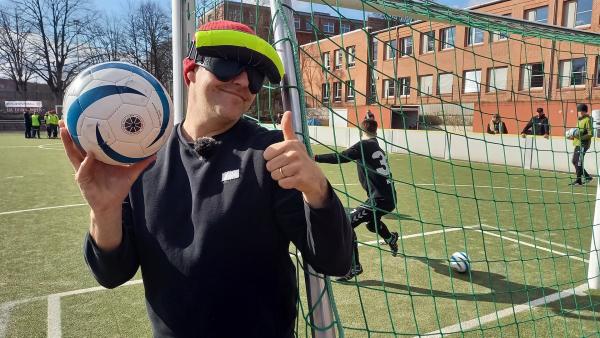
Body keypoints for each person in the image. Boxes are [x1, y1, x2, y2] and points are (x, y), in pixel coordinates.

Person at [60, 21, 352, 337]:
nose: (243, 81)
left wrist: (318, 191)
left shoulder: (270, 153)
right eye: (227, 63)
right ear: (190, 71)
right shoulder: (141, 159)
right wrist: (104, 211)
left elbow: (336, 262)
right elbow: (111, 273)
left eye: (256, 77)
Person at [314, 117, 399, 282]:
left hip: (379, 199)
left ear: (361, 130)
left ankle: (355, 266)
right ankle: (390, 238)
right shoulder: (376, 146)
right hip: (389, 198)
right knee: (372, 224)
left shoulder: (364, 145)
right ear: (376, 130)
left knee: (346, 223)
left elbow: (342, 157)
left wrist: (315, 157)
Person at [568, 103, 593, 186]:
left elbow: (590, 133)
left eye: (580, 111)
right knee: (574, 161)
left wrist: (580, 138)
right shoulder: (579, 120)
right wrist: (572, 137)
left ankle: (579, 181)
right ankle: (587, 177)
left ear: (583, 112)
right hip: (577, 144)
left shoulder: (588, 120)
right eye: (578, 111)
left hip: (583, 145)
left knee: (578, 162)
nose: (579, 113)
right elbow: (578, 133)